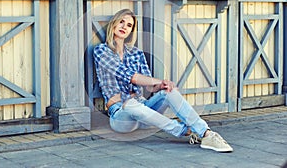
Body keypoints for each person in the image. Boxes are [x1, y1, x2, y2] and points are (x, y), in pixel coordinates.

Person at [93, 9, 233, 152]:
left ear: (131, 31)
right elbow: (131, 77)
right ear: (114, 24)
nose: (124, 27)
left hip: (145, 109)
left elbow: (150, 88)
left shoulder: (136, 53)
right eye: (121, 22)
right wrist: (157, 81)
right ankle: (185, 131)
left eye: (129, 25)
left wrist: (163, 85)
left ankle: (206, 133)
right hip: (121, 115)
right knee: (130, 104)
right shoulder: (102, 51)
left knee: (169, 92)